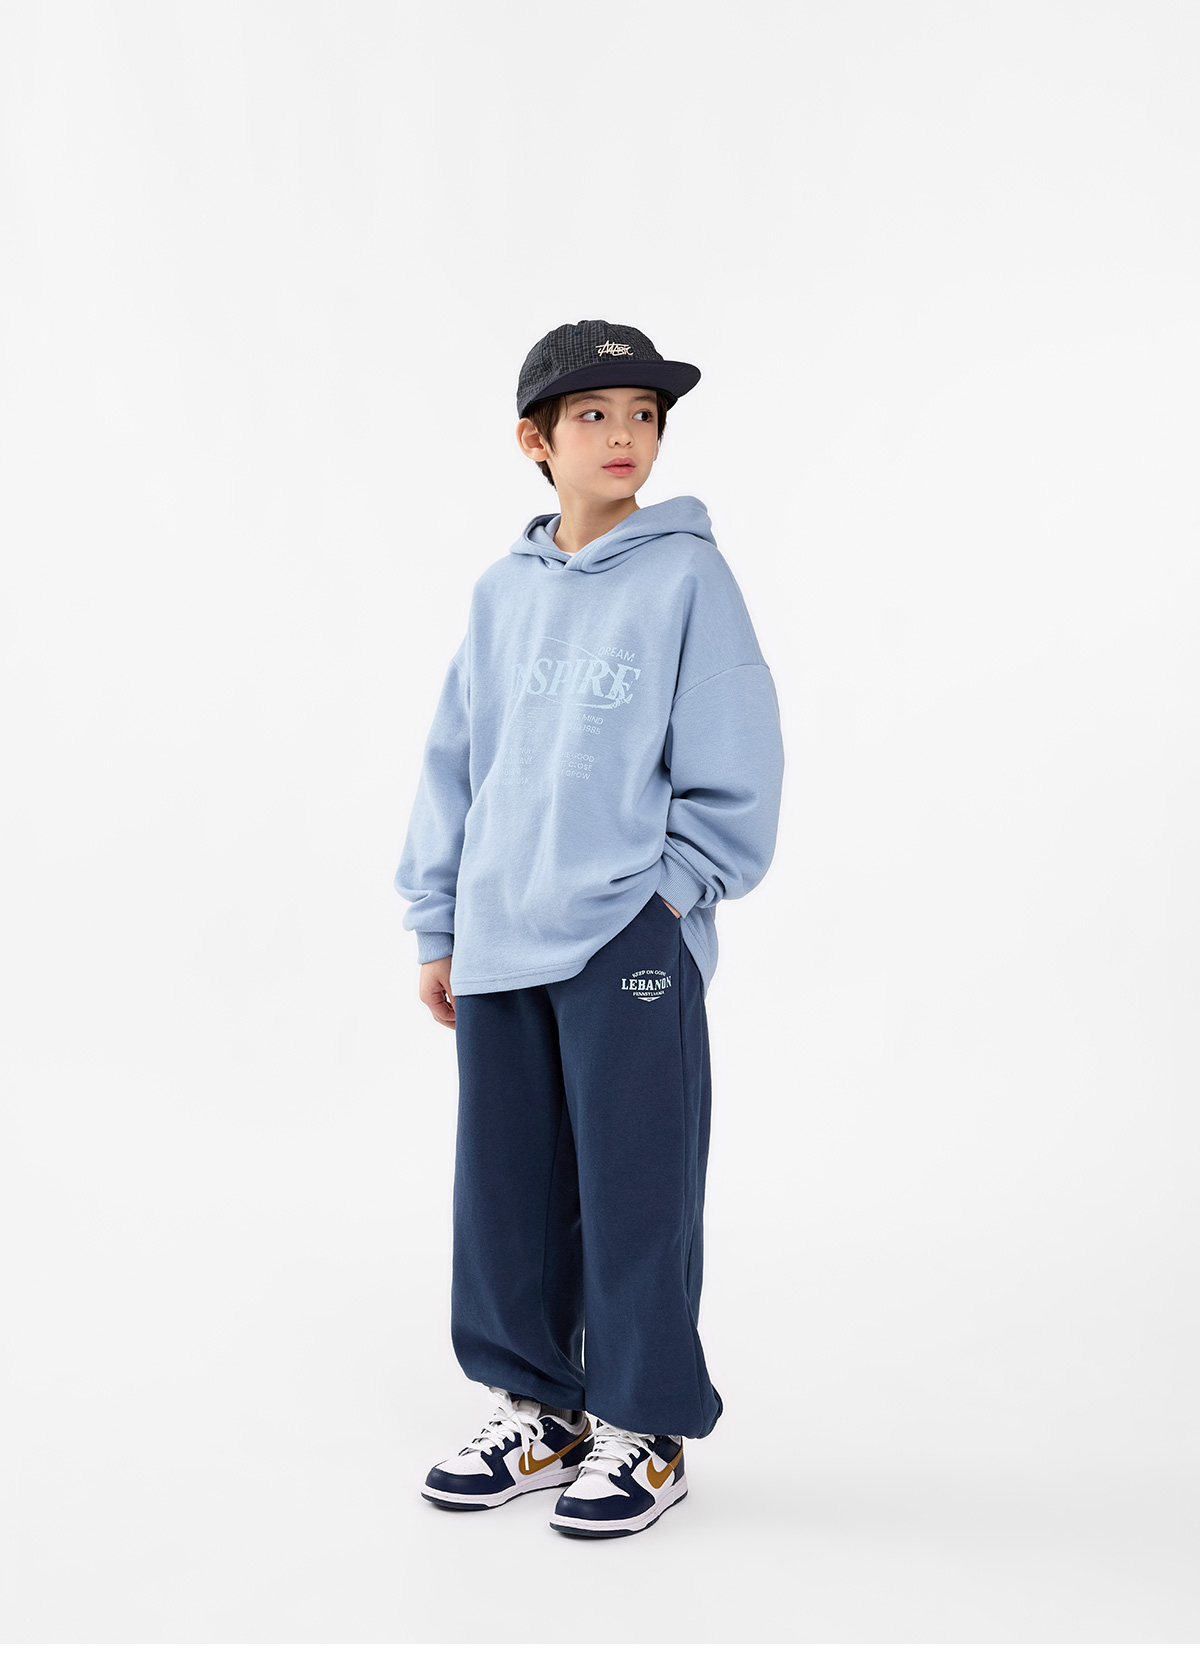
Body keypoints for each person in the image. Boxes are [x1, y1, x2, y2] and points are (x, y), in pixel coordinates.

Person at [394, 318, 785, 1538]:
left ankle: (647, 1424)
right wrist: (438, 919)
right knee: (503, 1189)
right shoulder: (501, 592)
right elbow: (456, 762)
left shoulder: (689, 578)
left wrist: (673, 890)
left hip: (627, 929)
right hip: (499, 928)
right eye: (595, 415)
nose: (626, 435)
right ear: (536, 440)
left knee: (636, 1187)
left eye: (645, 415)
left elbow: (737, 761)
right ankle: (537, 1407)